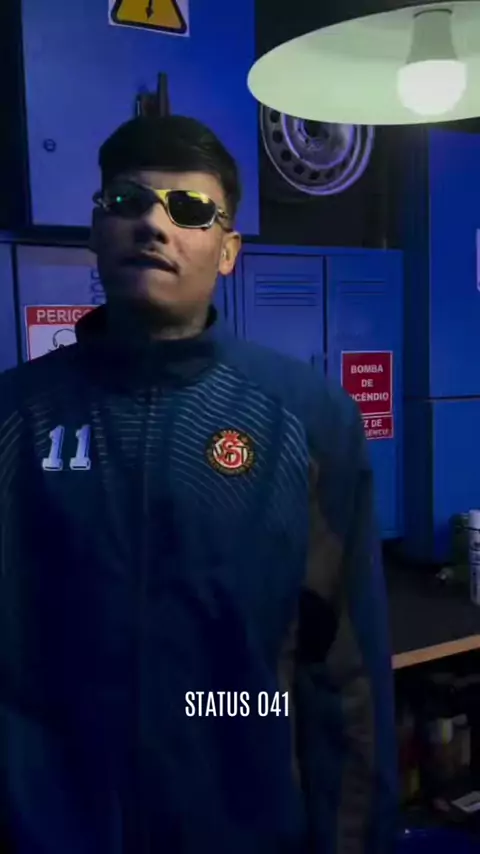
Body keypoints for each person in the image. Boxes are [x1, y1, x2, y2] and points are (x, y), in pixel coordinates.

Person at [0, 115, 397, 853]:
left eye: (188, 209)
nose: (154, 224)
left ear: (229, 251)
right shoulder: (15, 418)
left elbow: (344, 676)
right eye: (127, 201)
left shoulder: (307, 419)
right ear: (96, 230)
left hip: (244, 830)